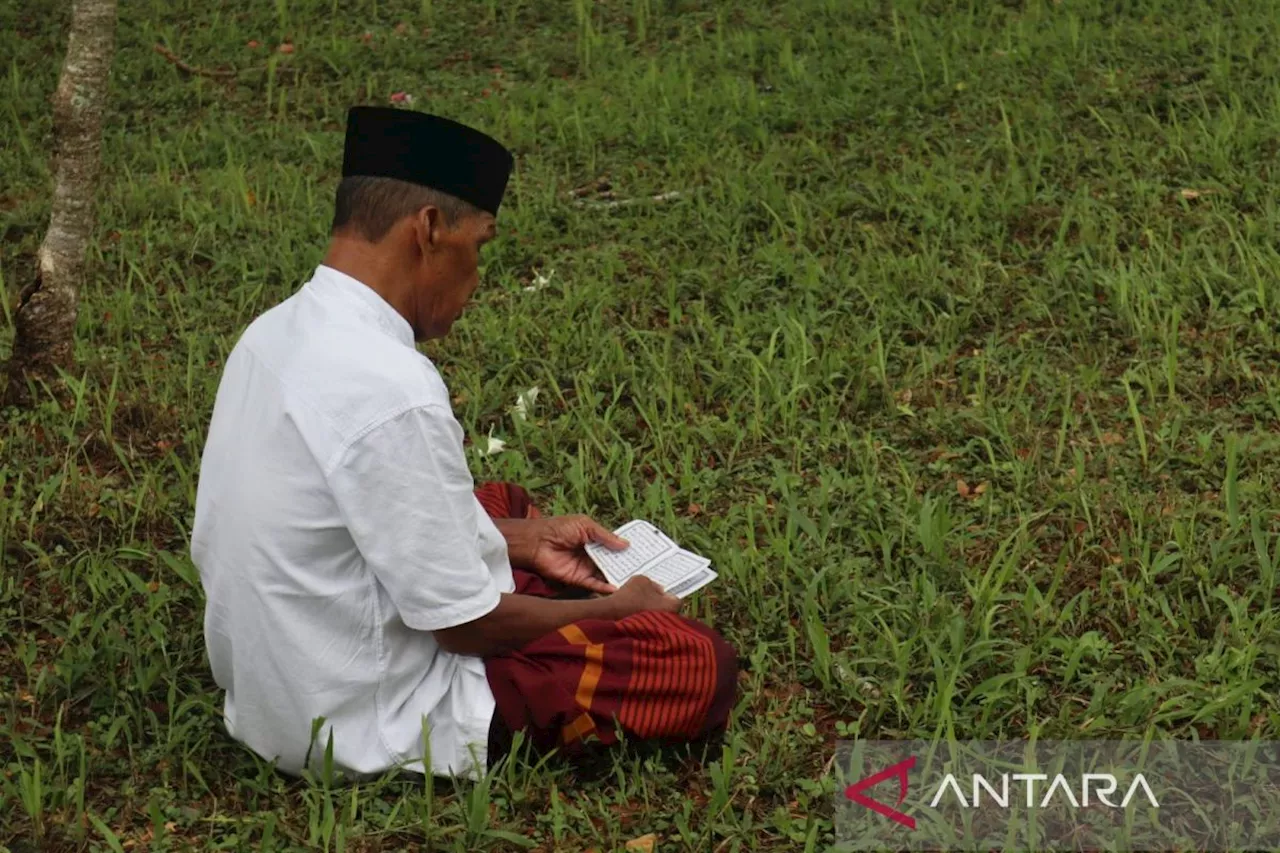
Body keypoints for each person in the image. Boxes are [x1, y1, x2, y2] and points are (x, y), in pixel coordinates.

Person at [190, 106, 738, 780]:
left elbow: (352, 515)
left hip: (273, 686)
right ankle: (575, 622)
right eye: (479, 247)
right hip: (356, 717)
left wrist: (523, 538)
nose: (477, 277)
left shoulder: (272, 333)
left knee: (502, 505)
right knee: (692, 661)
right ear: (428, 229)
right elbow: (462, 627)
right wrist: (614, 609)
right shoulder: (391, 387)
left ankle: (530, 559)